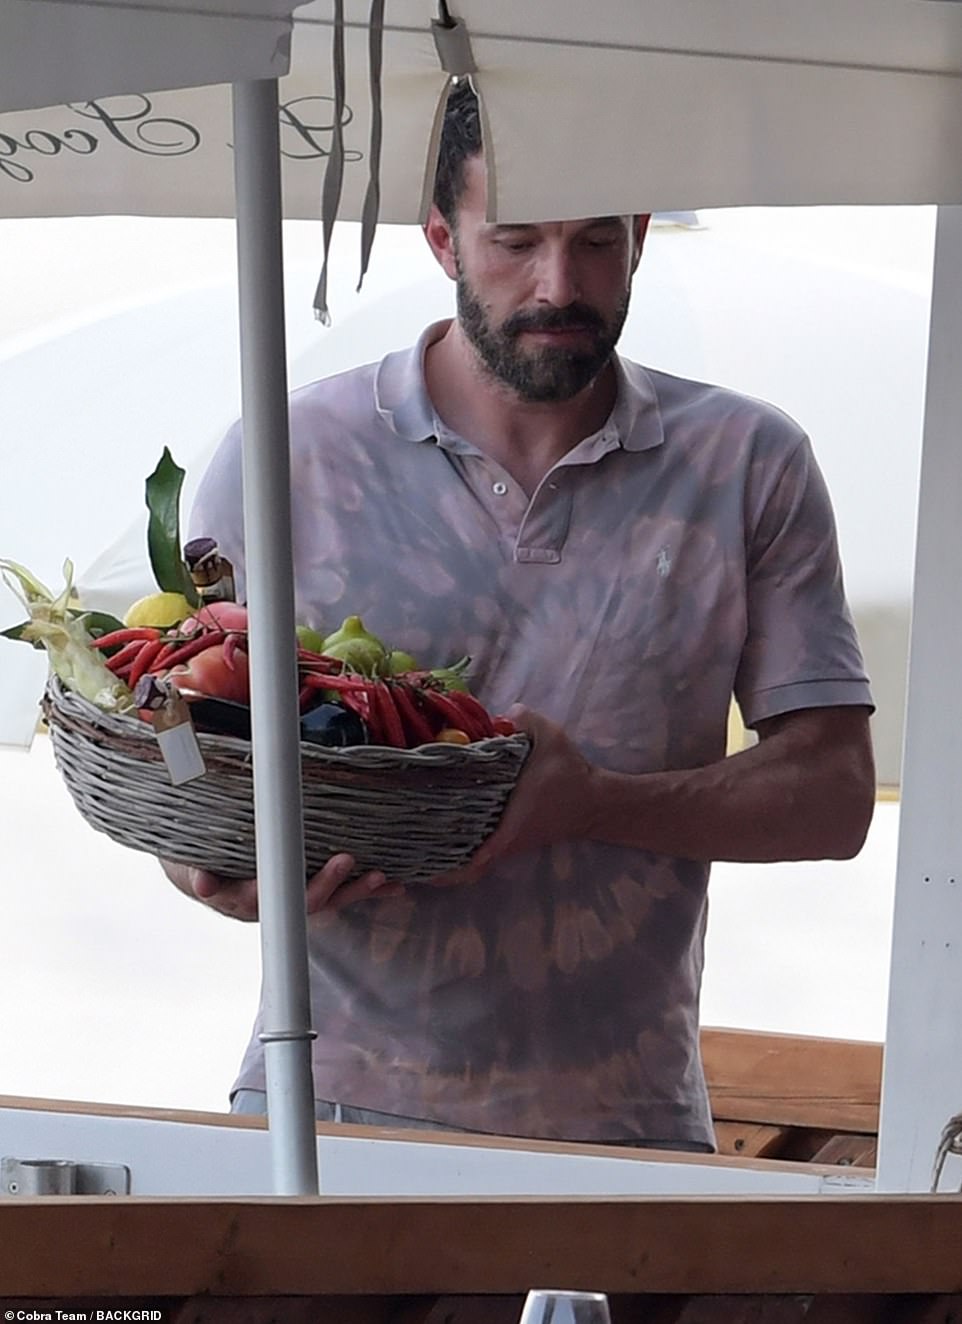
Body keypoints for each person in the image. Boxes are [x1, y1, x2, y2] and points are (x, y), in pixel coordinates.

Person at [161, 80, 875, 1151]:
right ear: (442, 239)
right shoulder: (290, 451)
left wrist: (590, 802)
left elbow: (832, 794)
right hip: (321, 1124)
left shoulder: (746, 463)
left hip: (625, 1141)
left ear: (639, 236)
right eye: (516, 241)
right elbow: (170, 726)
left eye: (595, 241)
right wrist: (196, 858)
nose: (559, 284)